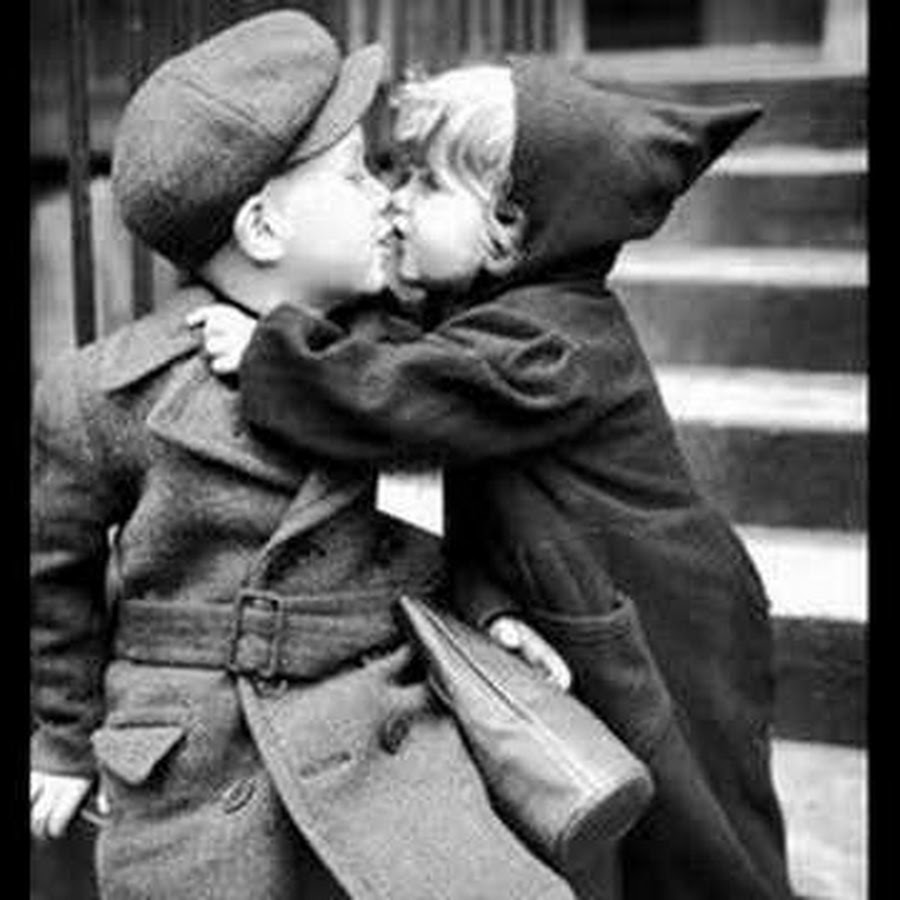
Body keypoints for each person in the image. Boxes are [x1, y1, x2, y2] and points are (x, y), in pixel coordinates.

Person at [191, 61, 795, 899]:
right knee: (624, 823)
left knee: (701, 831)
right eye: (396, 174)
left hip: (669, 618)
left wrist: (274, 352)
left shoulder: (552, 342)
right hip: (593, 594)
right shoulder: (491, 319)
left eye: (429, 184)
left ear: (510, 226)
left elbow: (397, 401)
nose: (396, 202)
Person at [30, 13, 580, 899]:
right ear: (263, 229)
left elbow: (434, 525)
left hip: (385, 730)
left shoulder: (403, 366)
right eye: (357, 174)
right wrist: (61, 739)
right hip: (197, 756)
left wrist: (490, 611)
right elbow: (53, 580)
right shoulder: (106, 394)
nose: (388, 196)